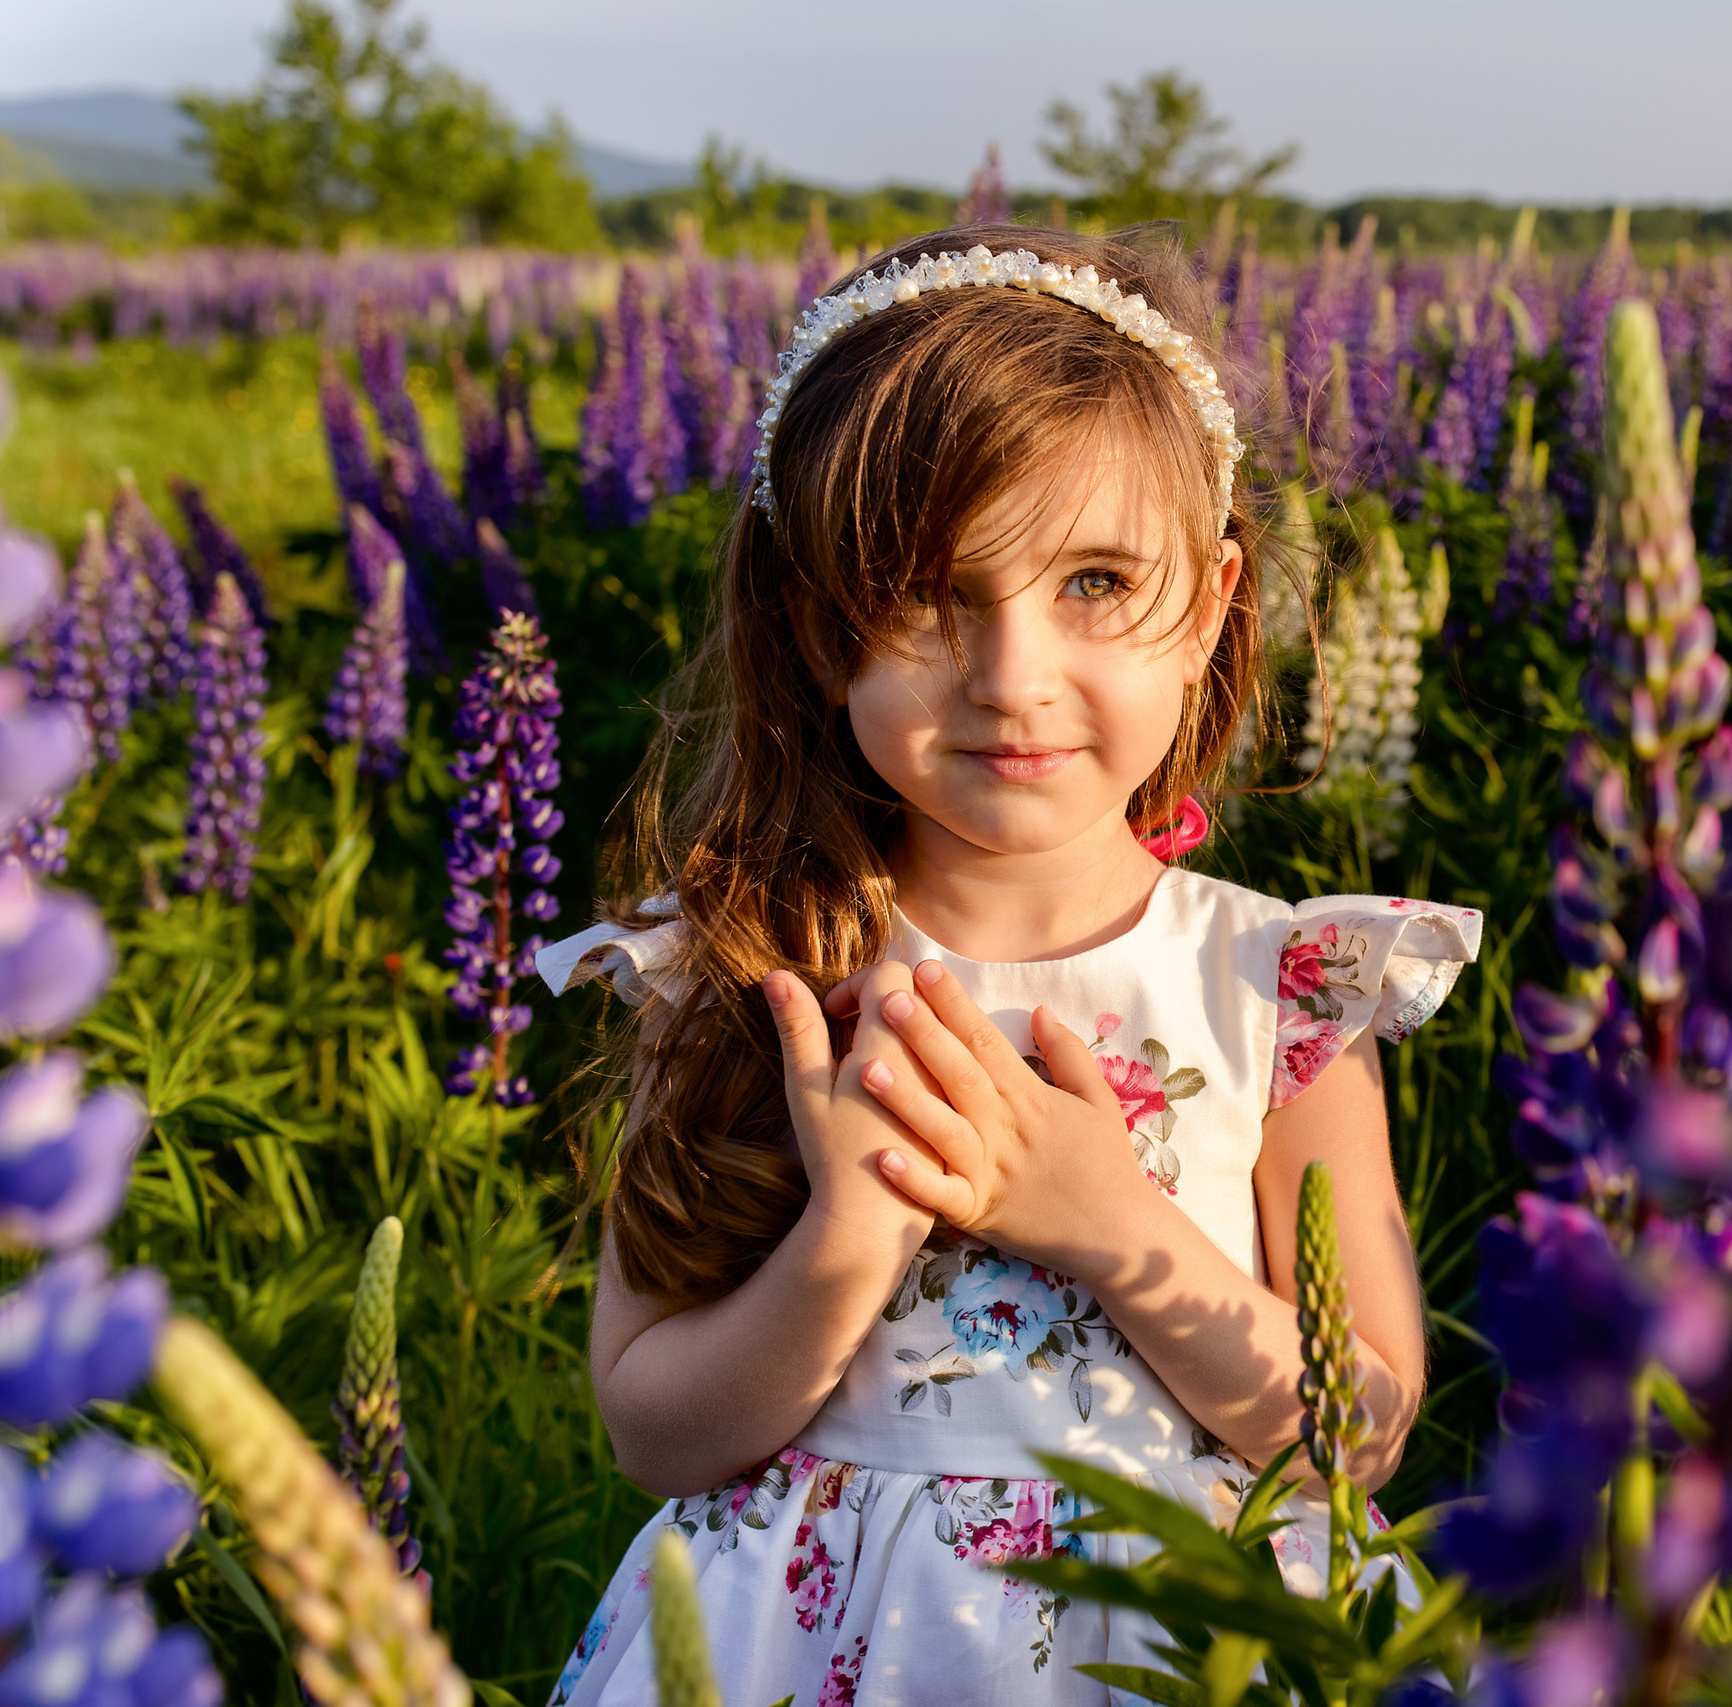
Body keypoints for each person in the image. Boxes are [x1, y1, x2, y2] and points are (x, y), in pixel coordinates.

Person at [535, 227, 1479, 1707]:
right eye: (923, 598)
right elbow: (653, 1431)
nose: (1010, 674)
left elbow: (1358, 1430)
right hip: (813, 1642)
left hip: (1184, 1634)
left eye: (1096, 582)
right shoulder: (747, 970)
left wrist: (1111, 1221)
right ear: (812, 620)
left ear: (1218, 601)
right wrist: (846, 1238)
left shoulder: (1280, 987)